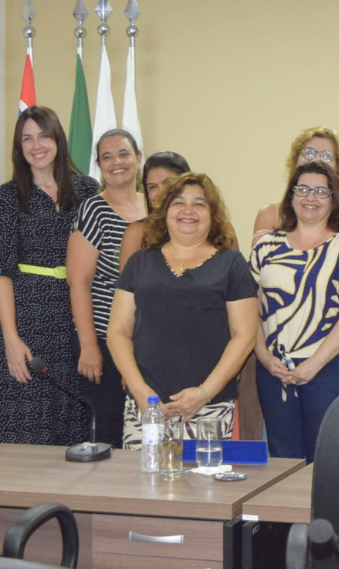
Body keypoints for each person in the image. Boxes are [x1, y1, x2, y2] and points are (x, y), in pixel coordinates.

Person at [108, 172, 258, 446]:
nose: (188, 210)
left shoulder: (232, 264)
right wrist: (140, 392)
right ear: (164, 212)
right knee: (142, 475)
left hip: (208, 407)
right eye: (178, 202)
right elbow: (118, 332)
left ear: (213, 215)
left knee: (201, 476)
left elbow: (245, 336)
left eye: (199, 204)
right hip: (146, 407)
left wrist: (204, 393)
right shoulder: (139, 262)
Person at [249, 162, 339, 462]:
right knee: (282, 459)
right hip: (274, 369)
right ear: (291, 196)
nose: (311, 197)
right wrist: (265, 358)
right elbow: (249, 309)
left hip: (329, 367)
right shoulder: (265, 246)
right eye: (303, 189)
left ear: (334, 200)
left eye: (321, 191)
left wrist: (312, 365)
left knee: (325, 458)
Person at [0, 106, 99, 445]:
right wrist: (10, 338)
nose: (36, 145)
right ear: (18, 147)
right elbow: (1, 271)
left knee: (73, 421)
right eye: (27, 138)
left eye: (43, 136)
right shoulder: (8, 195)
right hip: (26, 317)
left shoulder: (88, 190)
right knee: (23, 421)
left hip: (76, 316)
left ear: (58, 139)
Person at [66, 129, 147, 448]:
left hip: (148, 342)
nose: (117, 163)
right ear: (99, 165)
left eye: (124, 154)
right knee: (109, 431)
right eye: (107, 157)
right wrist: (89, 345)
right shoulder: (93, 209)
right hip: (104, 338)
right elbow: (79, 282)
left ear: (138, 158)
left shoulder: (157, 207)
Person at [252, 126, 339, 240]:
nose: (316, 160)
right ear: (295, 160)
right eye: (309, 153)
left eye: (326, 156)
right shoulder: (270, 215)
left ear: (338, 167)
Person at [117, 151, 191, 271]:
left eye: (168, 183)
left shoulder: (208, 228)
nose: (161, 192)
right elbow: (128, 282)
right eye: (153, 187)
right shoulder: (137, 233)